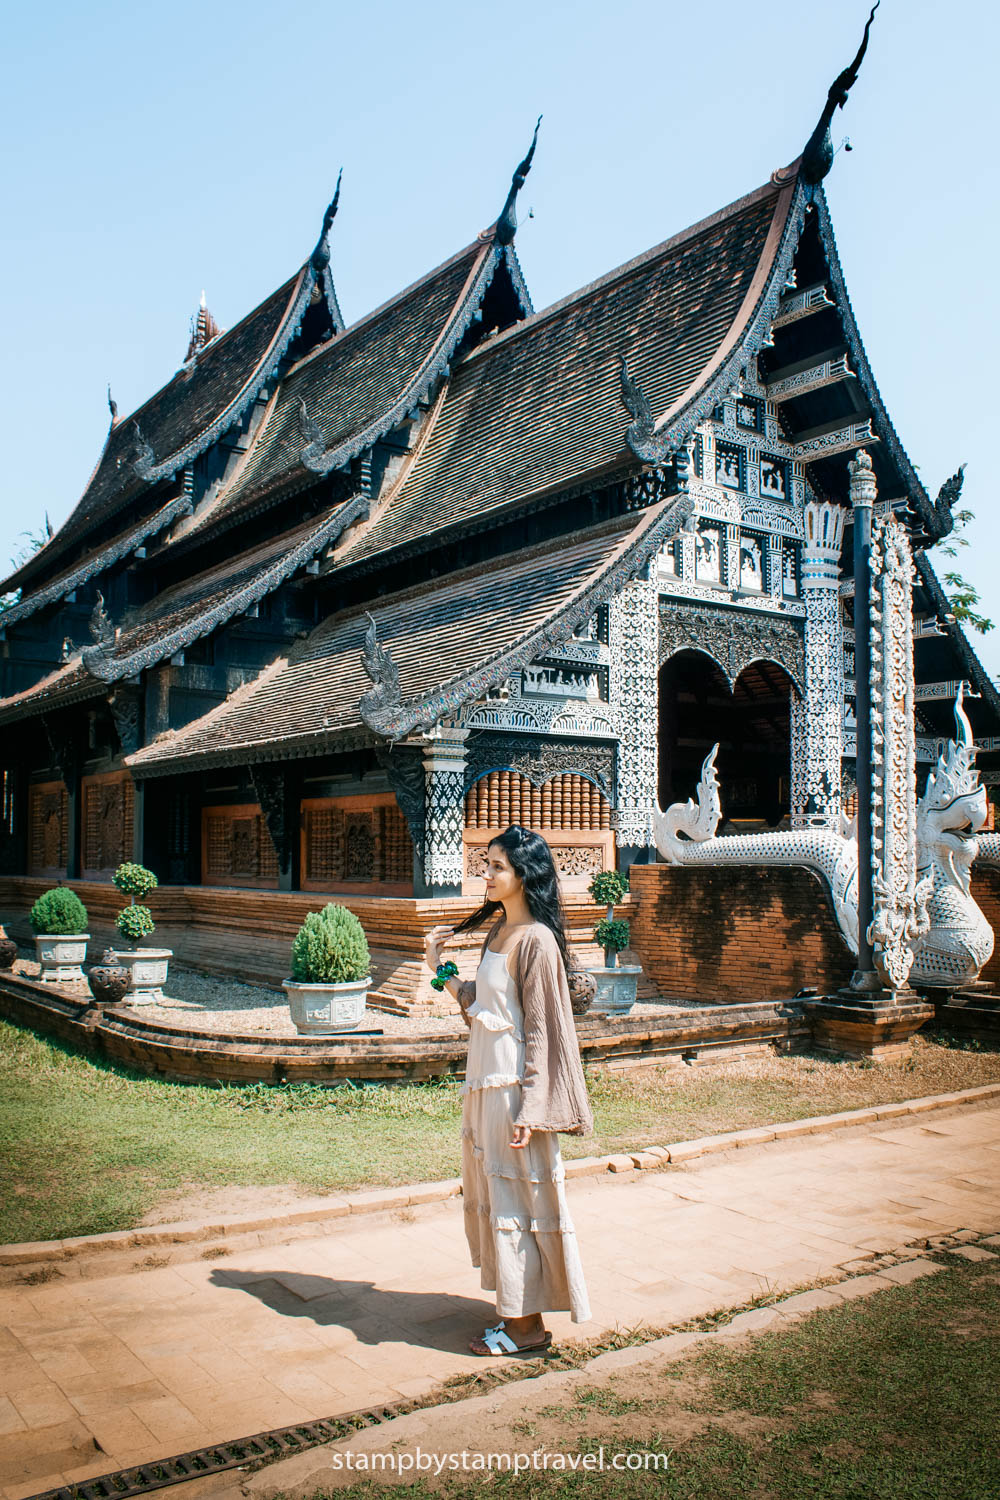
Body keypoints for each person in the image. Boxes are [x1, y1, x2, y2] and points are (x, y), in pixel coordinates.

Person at [424, 825, 594, 1357]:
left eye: (497, 866)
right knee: (500, 1196)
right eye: (487, 864)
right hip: (485, 1086)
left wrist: (533, 1108)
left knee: (519, 1200)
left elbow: (542, 1032)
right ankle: (516, 1313)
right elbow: (482, 1008)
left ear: (525, 876)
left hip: (515, 1092)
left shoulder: (538, 941)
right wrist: (440, 970)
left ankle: (526, 1330)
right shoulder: (500, 933)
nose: (488, 874)